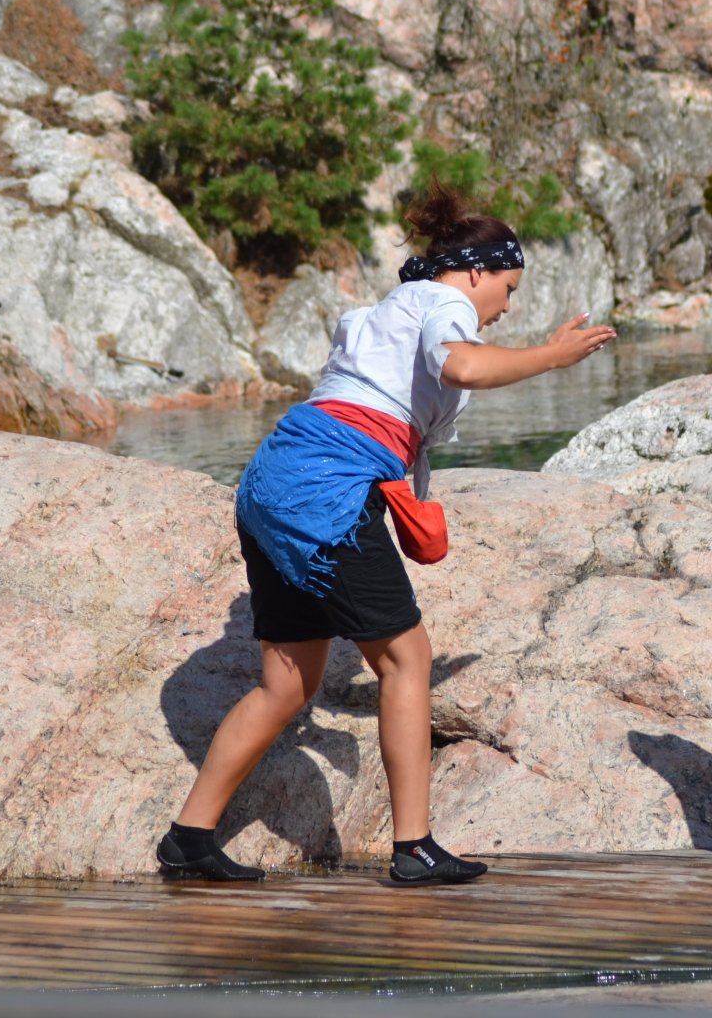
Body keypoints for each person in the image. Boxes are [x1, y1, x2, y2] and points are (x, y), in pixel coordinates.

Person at [157, 182, 617, 885]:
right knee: (407, 658)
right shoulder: (444, 302)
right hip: (325, 489)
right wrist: (551, 358)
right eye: (508, 286)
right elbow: (462, 365)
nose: (505, 307)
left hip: (272, 479)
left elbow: (389, 417)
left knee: (287, 687)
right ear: (473, 271)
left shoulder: (389, 311)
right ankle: (415, 847)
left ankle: (189, 838)